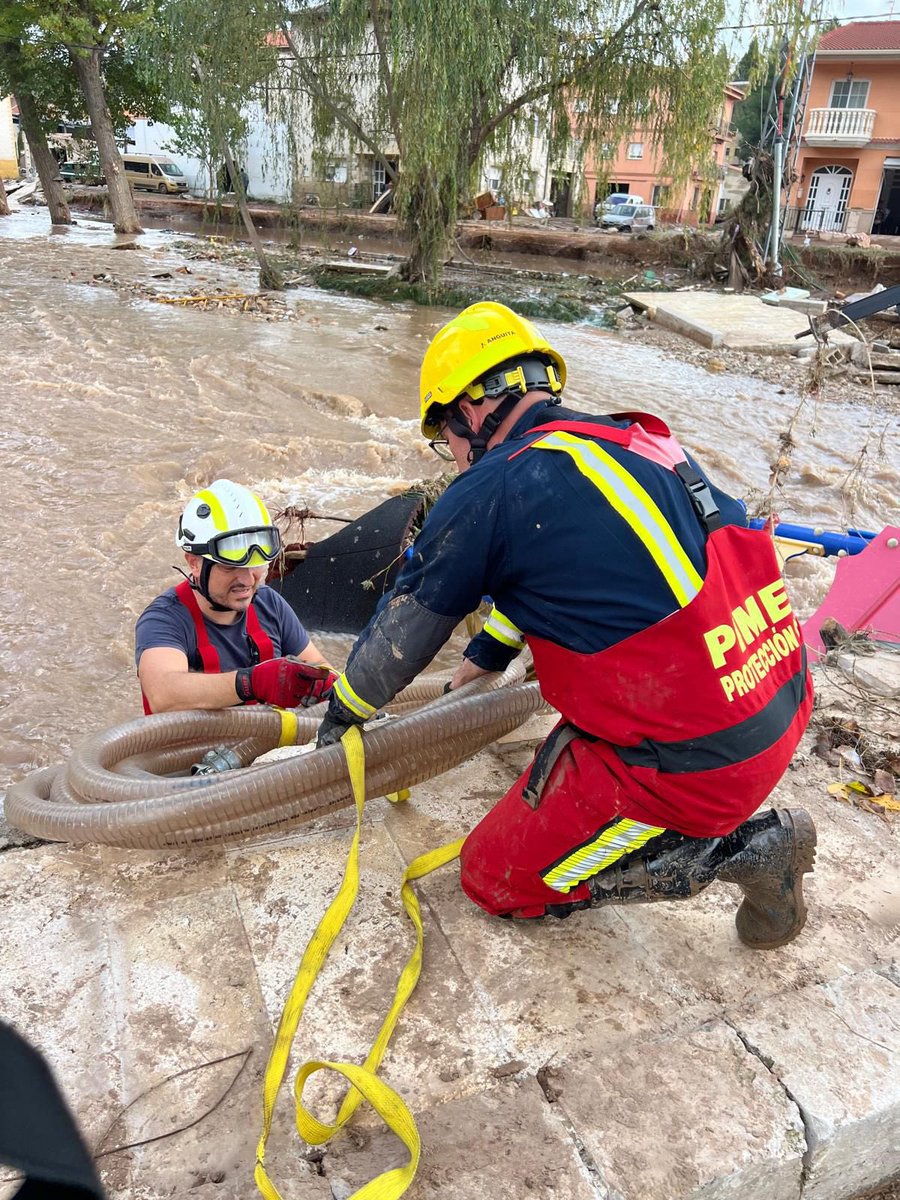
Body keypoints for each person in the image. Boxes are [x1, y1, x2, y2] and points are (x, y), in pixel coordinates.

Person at [317, 302, 817, 949]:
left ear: (470, 411)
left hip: (697, 764)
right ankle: (692, 813)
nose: (455, 458)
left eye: (447, 439)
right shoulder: (636, 441)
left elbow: (402, 633)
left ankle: (747, 851)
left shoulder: (492, 486)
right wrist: (487, 654)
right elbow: (568, 573)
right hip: (779, 698)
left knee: (493, 876)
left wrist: (344, 712)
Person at [136, 479, 336, 714]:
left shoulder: (270, 605)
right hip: (194, 739)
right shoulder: (164, 619)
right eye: (230, 567)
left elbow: (322, 670)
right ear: (194, 563)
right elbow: (163, 694)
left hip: (265, 736)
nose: (247, 579)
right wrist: (251, 683)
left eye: (255, 564)